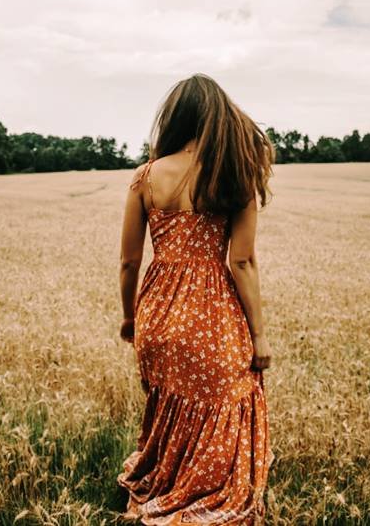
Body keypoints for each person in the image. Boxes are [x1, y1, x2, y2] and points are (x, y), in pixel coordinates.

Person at [117, 73, 275, 524]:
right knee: (227, 400)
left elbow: (129, 262)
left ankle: (166, 479)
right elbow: (241, 262)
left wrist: (131, 320)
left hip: (157, 314)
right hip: (212, 316)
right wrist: (259, 337)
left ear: (175, 119)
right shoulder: (236, 175)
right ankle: (206, 489)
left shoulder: (146, 177)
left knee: (169, 402)